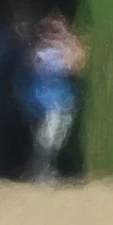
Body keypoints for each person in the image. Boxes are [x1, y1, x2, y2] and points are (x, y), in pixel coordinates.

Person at [23, 13, 86, 181]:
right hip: (40, 102)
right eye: (49, 30)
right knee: (45, 140)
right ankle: (41, 172)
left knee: (55, 141)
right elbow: (30, 62)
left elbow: (76, 65)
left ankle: (43, 170)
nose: (51, 33)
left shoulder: (65, 50)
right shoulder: (38, 51)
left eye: (55, 30)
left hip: (62, 102)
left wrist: (67, 37)